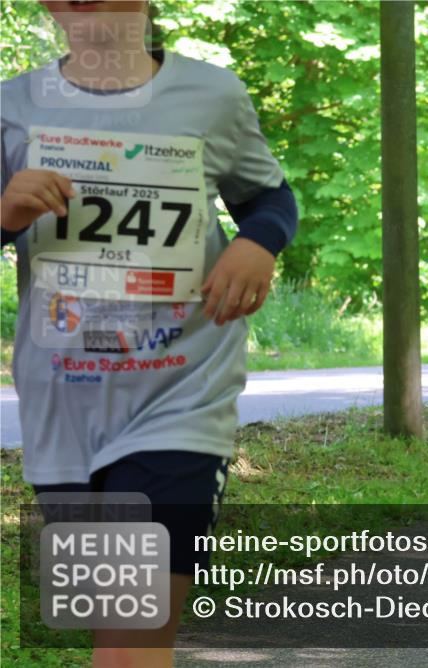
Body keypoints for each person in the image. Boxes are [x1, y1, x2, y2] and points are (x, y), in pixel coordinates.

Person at [1, 2, 296, 665]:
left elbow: (270, 197)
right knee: (117, 630)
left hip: (180, 399)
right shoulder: (11, 106)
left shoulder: (212, 94)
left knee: (133, 632)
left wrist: (258, 243)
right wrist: (6, 211)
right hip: (64, 415)